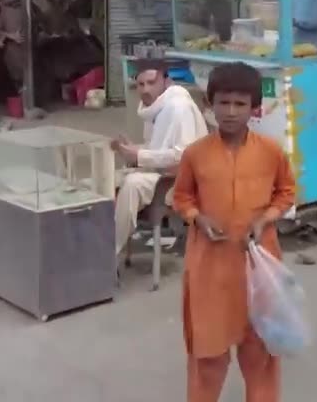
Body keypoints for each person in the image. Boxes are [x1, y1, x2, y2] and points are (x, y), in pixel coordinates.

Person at [172, 62, 296, 402]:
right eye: (223, 103)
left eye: (240, 104)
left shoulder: (271, 152)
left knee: (261, 354)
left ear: (254, 109)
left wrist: (266, 218)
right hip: (209, 269)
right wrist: (197, 218)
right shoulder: (195, 155)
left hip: (259, 268)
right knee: (207, 356)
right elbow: (182, 196)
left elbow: (286, 192)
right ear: (210, 105)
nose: (230, 112)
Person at [112, 61, 208, 257]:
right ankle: (95, 241)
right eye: (141, 84)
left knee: (133, 184)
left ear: (166, 82)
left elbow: (183, 155)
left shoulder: (179, 107)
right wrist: (130, 149)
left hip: (181, 179)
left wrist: (139, 156)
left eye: (151, 83)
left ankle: (110, 252)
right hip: (160, 173)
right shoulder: (156, 108)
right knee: (107, 178)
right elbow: (156, 147)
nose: (145, 90)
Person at [0, 0, 27, 95]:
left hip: (30, 47)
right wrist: (10, 35)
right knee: (17, 76)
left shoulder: (28, 6)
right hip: (12, 50)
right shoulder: (4, 10)